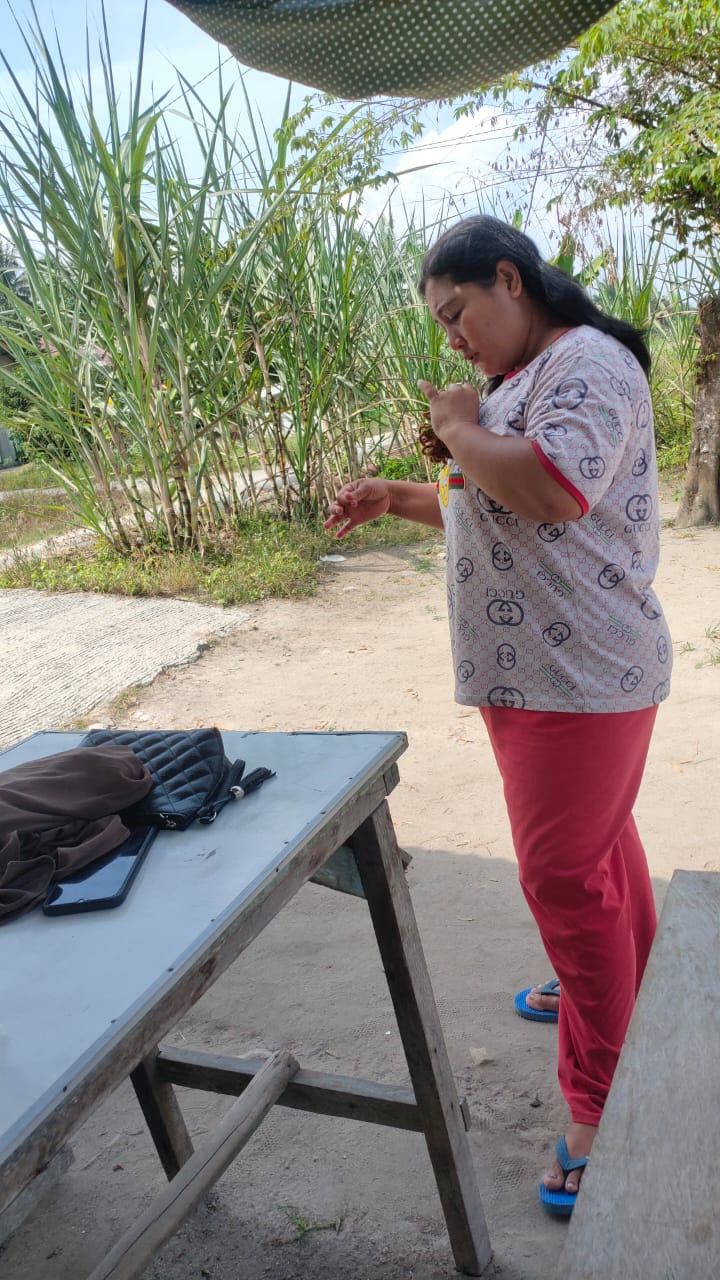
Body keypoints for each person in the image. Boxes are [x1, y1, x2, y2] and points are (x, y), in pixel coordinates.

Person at [324, 214, 671, 1217]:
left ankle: (605, 1103)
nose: (453, 338)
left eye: (457, 311)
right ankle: (620, 983)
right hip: (539, 674)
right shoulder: (529, 379)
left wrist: (466, 424)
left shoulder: (588, 364)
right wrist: (402, 492)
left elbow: (555, 489)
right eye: (440, 326)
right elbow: (496, 496)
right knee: (596, 854)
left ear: (509, 279)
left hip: (581, 674)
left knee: (564, 876)